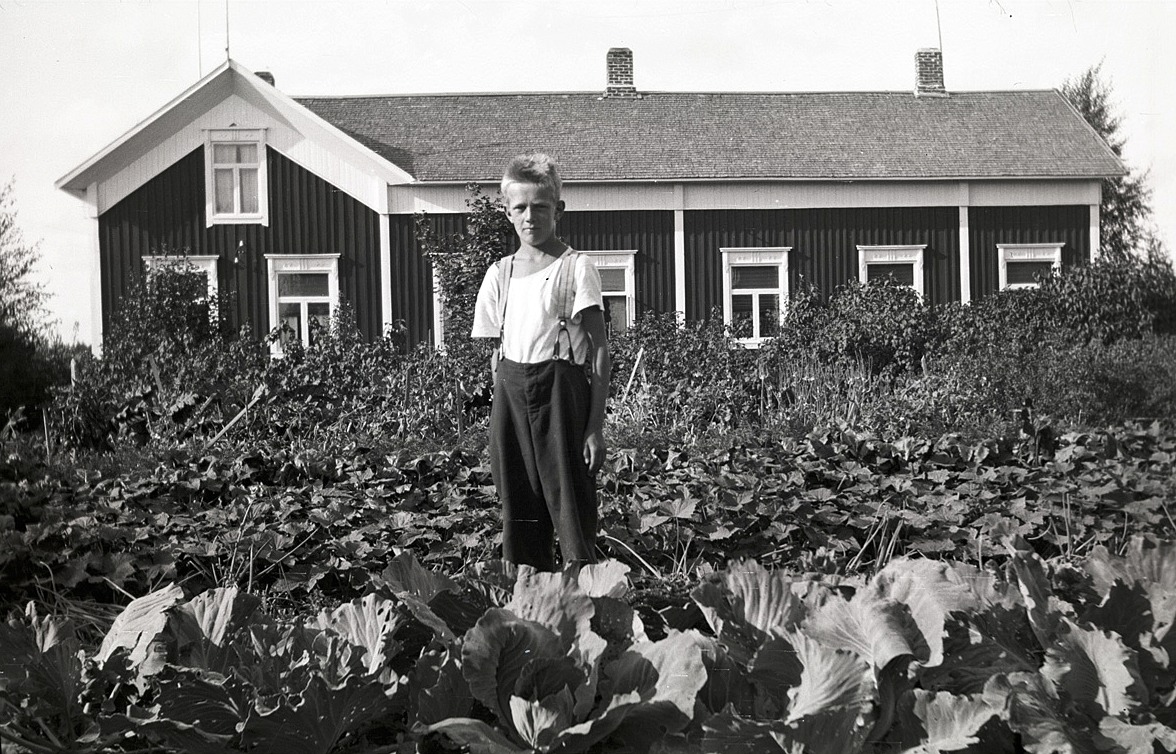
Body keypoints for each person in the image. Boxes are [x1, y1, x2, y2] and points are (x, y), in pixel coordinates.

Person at [471, 153, 611, 572]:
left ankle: (583, 605)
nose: (530, 216)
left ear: (558, 210)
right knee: (519, 508)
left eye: (540, 206)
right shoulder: (499, 273)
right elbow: (495, 352)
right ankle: (528, 608)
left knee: (570, 507)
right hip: (511, 394)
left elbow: (601, 349)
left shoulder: (576, 268)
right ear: (508, 212)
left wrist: (595, 428)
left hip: (562, 395)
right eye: (520, 207)